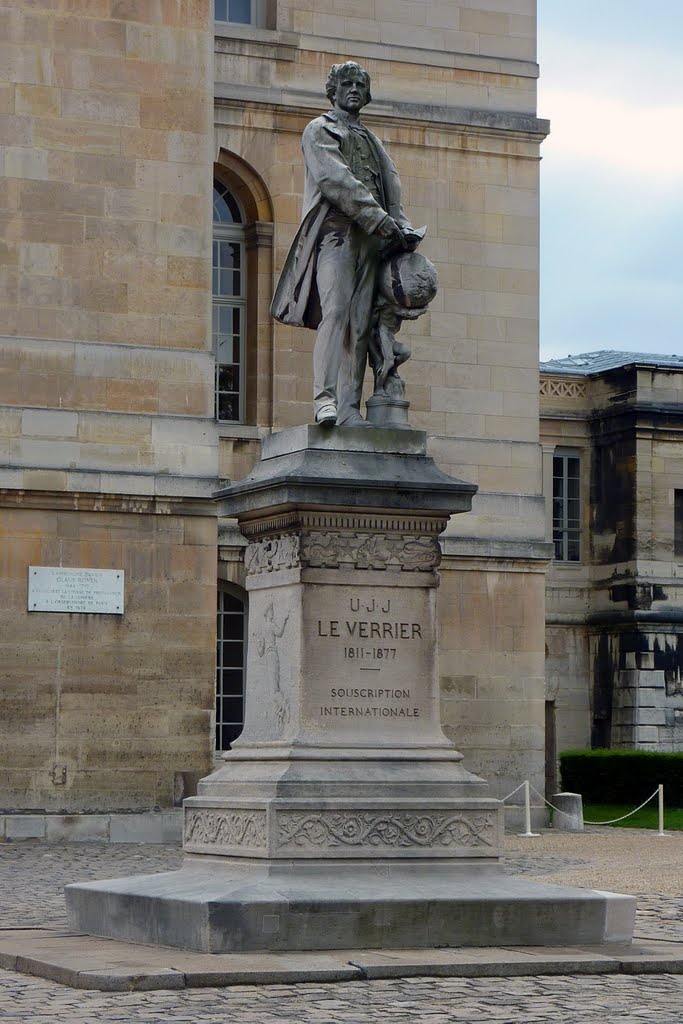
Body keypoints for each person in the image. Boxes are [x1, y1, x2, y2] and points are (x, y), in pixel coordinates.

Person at [271, 61, 419, 426]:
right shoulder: (318, 130)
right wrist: (381, 219)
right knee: (335, 313)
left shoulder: (372, 140)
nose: (354, 89)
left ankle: (349, 408)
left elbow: (390, 186)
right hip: (335, 234)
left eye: (360, 85)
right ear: (333, 91)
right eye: (346, 83)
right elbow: (334, 179)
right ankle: (325, 400)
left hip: (371, 240)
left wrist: (402, 225)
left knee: (360, 323)